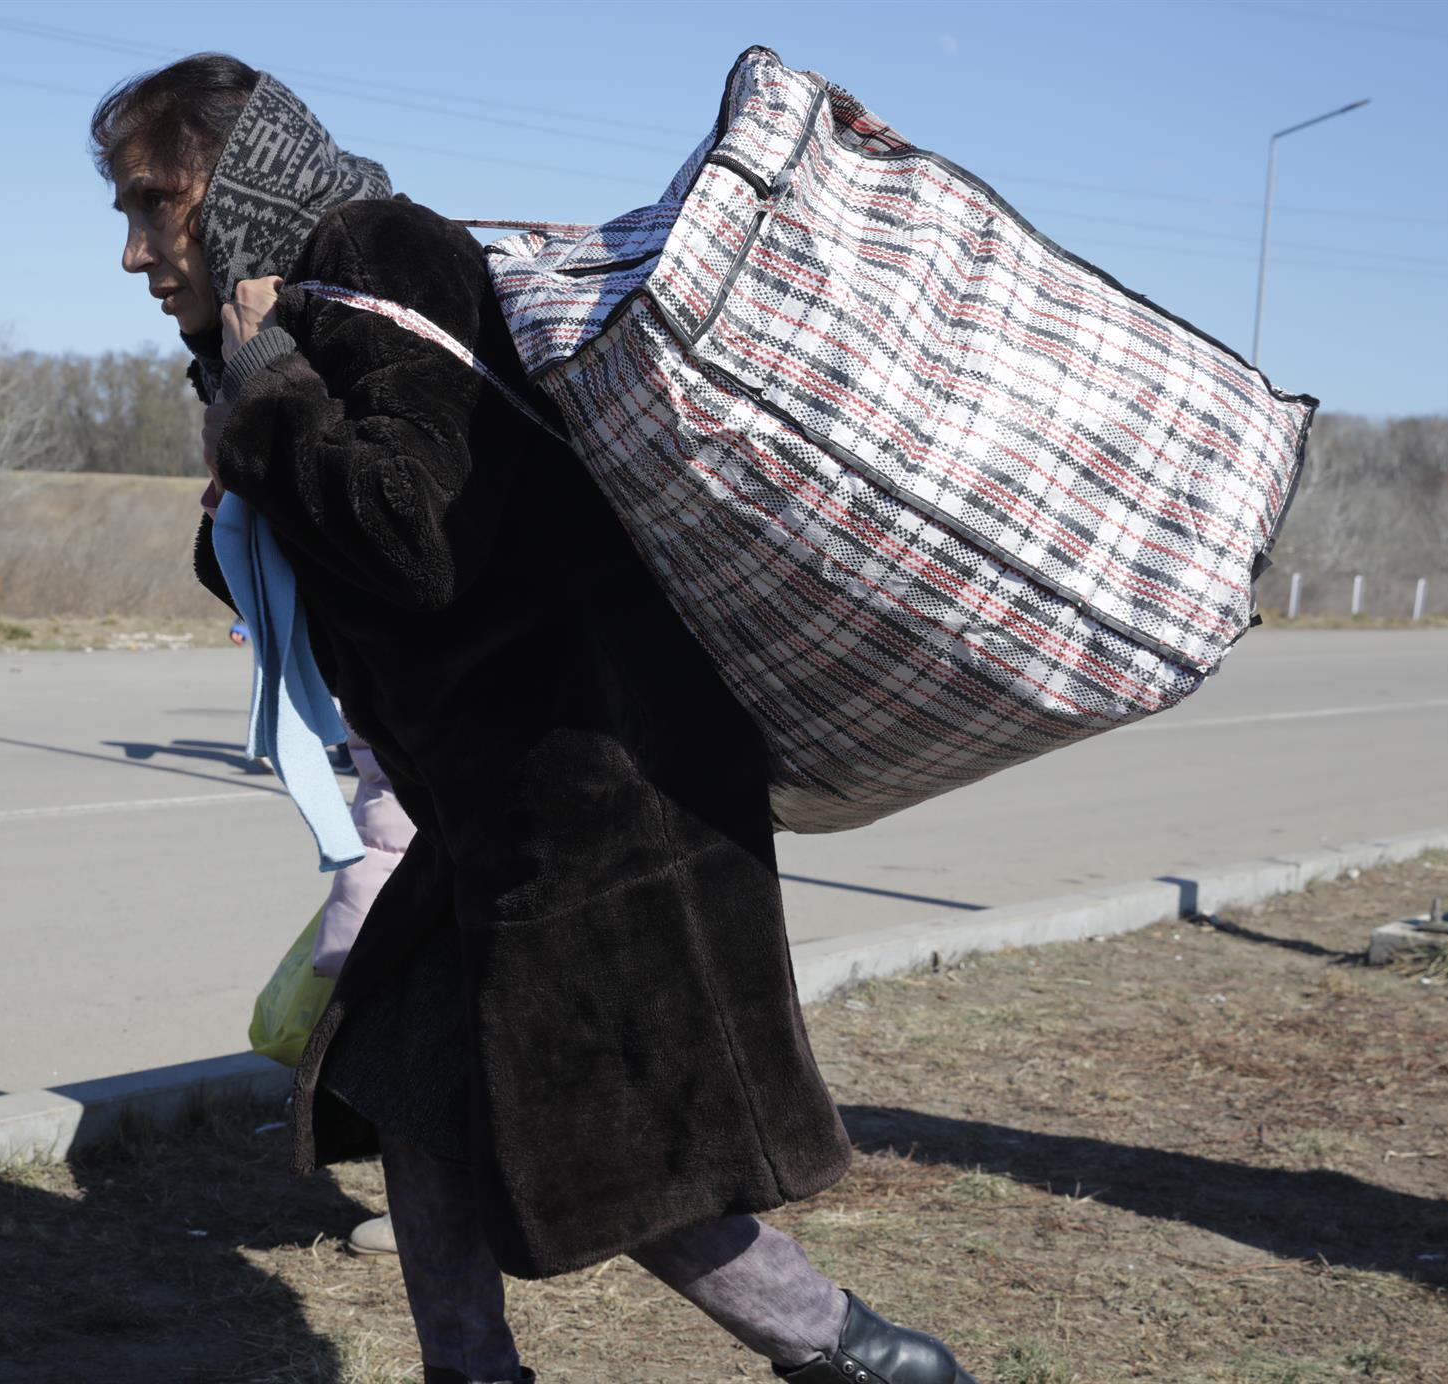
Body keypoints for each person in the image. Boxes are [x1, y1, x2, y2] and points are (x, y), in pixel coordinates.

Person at [92, 55, 980, 1384]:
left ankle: (862, 1358)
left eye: (155, 203)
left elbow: (413, 538)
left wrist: (269, 380)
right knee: (415, 1081)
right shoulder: (280, 317)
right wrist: (251, 409)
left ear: (237, 182)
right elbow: (298, 564)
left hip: (596, 787)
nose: (134, 249)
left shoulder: (387, 258)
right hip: (490, 801)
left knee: (608, 1141)